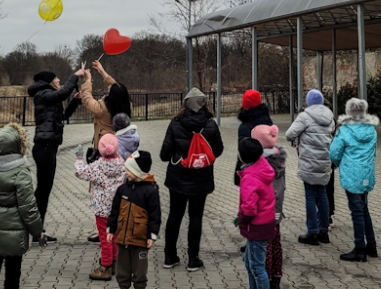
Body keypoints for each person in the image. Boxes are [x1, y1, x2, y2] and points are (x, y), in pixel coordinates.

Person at [159, 88, 224, 272]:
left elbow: (164, 154)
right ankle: (193, 259)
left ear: (185, 104)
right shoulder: (210, 124)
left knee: (175, 215)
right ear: (204, 104)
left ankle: (170, 256)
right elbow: (218, 150)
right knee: (196, 216)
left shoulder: (175, 123)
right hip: (201, 177)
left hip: (177, 176)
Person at [0, 123, 45, 289]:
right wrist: (37, 231)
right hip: (14, 231)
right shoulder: (21, 172)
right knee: (13, 273)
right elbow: (28, 208)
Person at [28, 68, 85, 243]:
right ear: (50, 81)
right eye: (56, 78)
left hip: (48, 147)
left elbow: (62, 117)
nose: (59, 80)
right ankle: (35, 230)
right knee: (43, 191)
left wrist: (75, 101)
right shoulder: (43, 94)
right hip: (44, 147)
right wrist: (75, 76)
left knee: (44, 190)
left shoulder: (47, 95)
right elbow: (63, 93)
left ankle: (36, 228)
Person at [79, 63, 131, 243]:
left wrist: (88, 80)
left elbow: (87, 100)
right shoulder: (124, 104)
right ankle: (117, 227)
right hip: (119, 150)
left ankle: (105, 230)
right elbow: (116, 87)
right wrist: (102, 71)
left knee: (102, 191)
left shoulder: (103, 108)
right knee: (118, 190)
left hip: (105, 150)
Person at [329, 98, 379, 263]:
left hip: (351, 174)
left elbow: (334, 153)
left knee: (357, 212)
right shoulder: (371, 130)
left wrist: (338, 163)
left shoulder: (344, 130)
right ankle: (371, 245)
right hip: (366, 173)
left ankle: (359, 249)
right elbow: (374, 152)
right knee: (364, 208)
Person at [285, 89, 335, 246]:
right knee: (323, 195)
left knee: (310, 197)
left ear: (308, 101)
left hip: (309, 162)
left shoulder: (304, 116)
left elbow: (289, 134)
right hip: (325, 161)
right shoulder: (330, 116)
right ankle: (324, 231)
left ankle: (312, 232)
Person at [74, 134, 126, 280]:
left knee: (105, 238)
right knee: (113, 235)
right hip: (117, 207)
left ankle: (105, 266)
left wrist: (79, 158)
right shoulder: (122, 163)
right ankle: (114, 262)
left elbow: (80, 172)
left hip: (102, 208)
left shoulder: (98, 165)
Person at [106, 151, 161, 289]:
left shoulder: (150, 191)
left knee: (139, 271)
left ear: (139, 171)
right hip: (122, 238)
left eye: (129, 170)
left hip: (140, 240)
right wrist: (111, 229)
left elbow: (155, 216)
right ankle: (123, 286)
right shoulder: (122, 189)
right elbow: (115, 211)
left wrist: (152, 236)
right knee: (122, 271)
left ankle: (139, 286)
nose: (127, 173)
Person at [237, 137, 276, 289]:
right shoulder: (261, 167)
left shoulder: (250, 177)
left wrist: (242, 220)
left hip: (257, 227)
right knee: (250, 263)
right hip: (266, 223)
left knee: (257, 267)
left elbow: (249, 208)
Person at [251, 125, 287, 289]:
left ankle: (265, 280)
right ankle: (276, 279)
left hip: (263, 214)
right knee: (276, 244)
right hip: (276, 210)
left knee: (264, 249)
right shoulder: (279, 159)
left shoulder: (259, 163)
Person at [234, 89, 273, 186]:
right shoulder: (268, 122)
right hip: (267, 166)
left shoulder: (244, 127)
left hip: (251, 171)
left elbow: (243, 152)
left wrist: (238, 170)